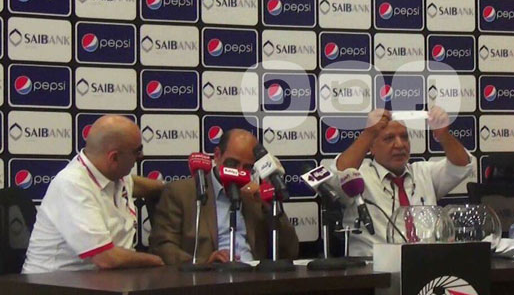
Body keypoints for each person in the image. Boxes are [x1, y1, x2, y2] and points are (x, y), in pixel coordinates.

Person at [22, 115, 165, 273]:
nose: (141, 156)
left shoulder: (114, 174)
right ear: (114, 158)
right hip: (53, 282)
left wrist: (180, 187)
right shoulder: (72, 184)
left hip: (101, 278)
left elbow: (141, 185)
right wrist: (159, 261)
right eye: (137, 151)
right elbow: (106, 258)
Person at [332, 107, 475, 256]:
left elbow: (462, 165)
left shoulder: (423, 172)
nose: (400, 144)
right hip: (374, 266)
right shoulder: (358, 178)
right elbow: (337, 176)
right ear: (371, 146)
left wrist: (444, 135)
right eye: (389, 138)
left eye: (404, 137)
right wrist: (368, 133)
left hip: (426, 262)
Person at [149, 129, 299, 264]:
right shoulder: (182, 192)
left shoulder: (254, 197)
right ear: (217, 155)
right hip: (209, 278)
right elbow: (161, 247)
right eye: (232, 163)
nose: (239, 171)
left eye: (247, 167)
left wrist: (271, 208)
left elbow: (290, 251)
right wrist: (204, 263)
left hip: (253, 274)